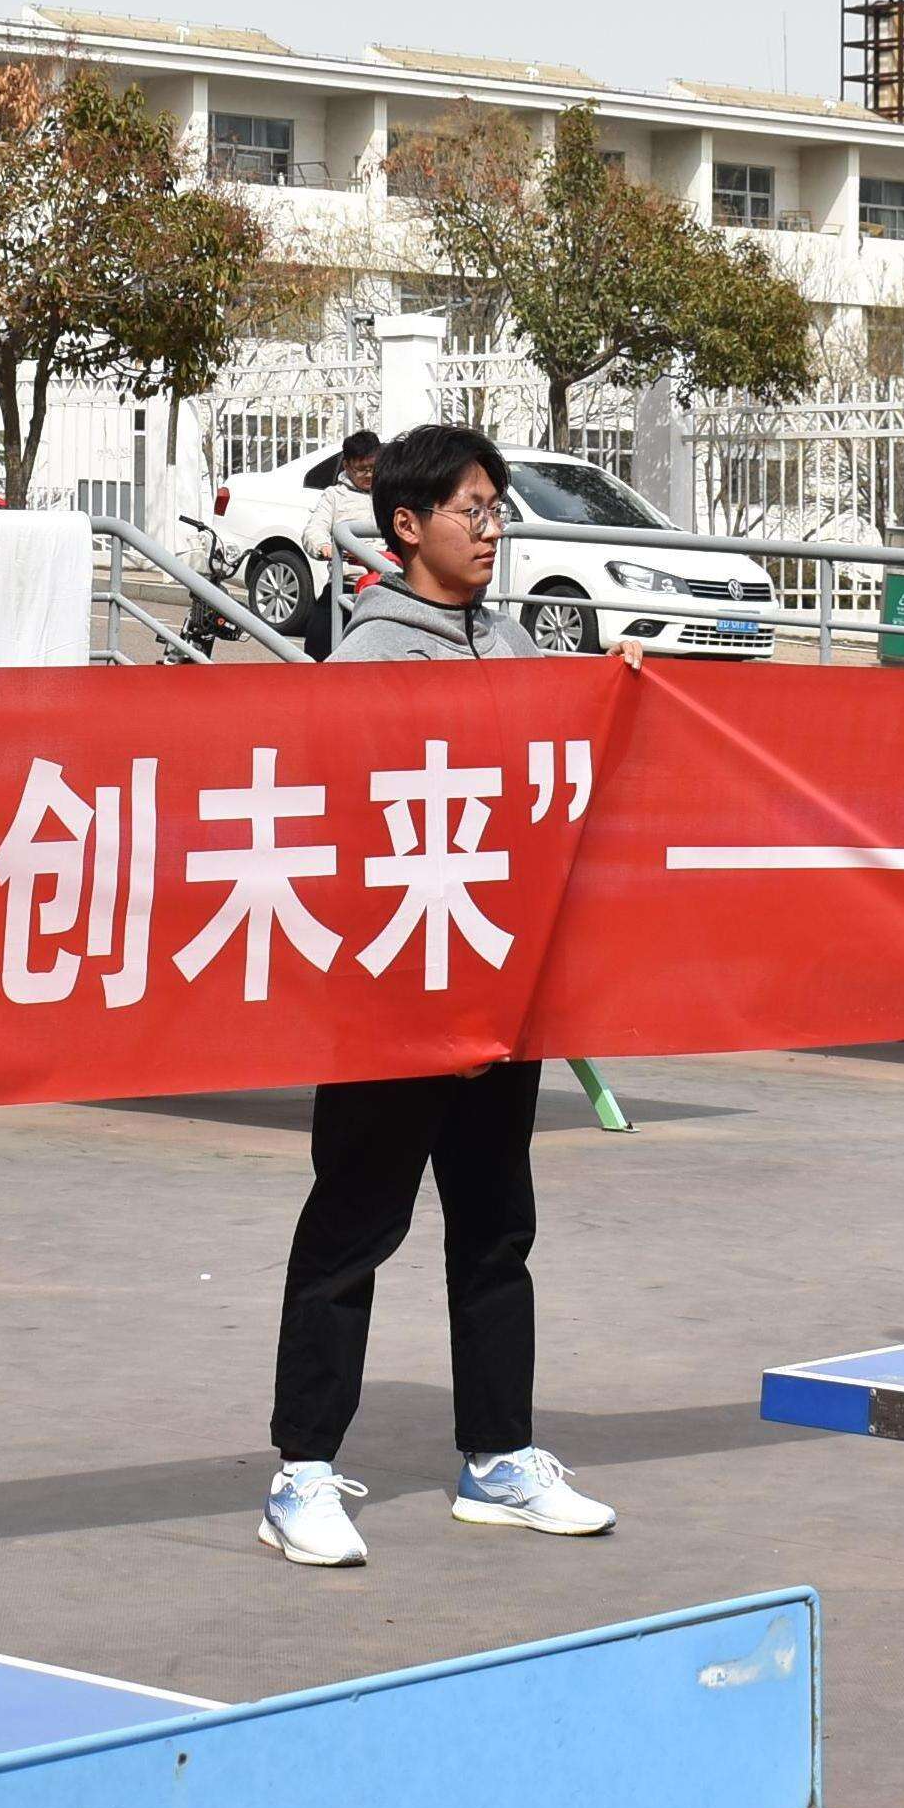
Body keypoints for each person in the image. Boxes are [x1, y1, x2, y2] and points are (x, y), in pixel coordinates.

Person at [260, 423, 615, 1566]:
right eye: (471, 508)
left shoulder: (509, 642)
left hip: (497, 994)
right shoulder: (368, 658)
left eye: (496, 506)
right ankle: (301, 1471)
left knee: (495, 1228)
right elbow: (332, 827)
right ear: (405, 525)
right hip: (390, 998)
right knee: (352, 1228)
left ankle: (498, 1456)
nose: (491, 526)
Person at [299, 429, 381, 661]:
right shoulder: (334, 496)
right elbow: (314, 530)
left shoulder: (390, 495)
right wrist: (323, 546)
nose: (368, 475)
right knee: (319, 639)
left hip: (385, 586)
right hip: (346, 583)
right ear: (346, 465)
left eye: (373, 467)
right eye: (361, 469)